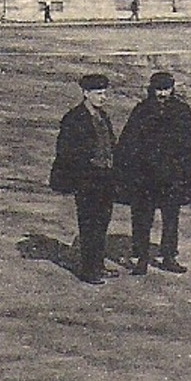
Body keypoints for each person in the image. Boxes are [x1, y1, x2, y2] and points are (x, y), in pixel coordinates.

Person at [115, 71, 191, 275]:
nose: (162, 94)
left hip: (172, 177)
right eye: (159, 90)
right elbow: (129, 142)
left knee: (171, 218)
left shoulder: (181, 111)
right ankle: (141, 258)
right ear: (152, 90)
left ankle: (169, 256)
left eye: (166, 89)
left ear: (172, 89)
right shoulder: (141, 111)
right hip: (146, 177)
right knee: (142, 217)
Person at [49, 73, 121, 285]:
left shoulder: (102, 116)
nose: (103, 97)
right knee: (89, 224)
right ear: (86, 93)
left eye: (105, 93)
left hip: (105, 179)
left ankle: (97, 265)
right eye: (98, 93)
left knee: (102, 224)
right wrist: (83, 172)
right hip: (88, 180)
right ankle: (89, 270)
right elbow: (66, 151)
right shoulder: (74, 118)